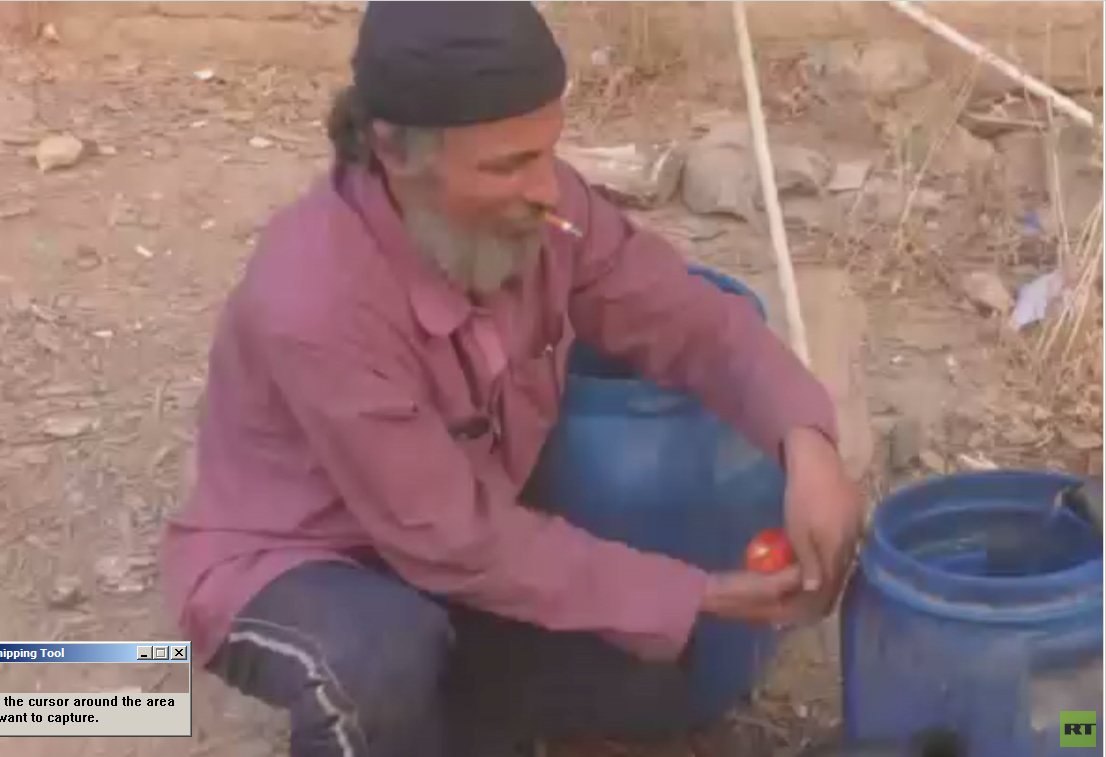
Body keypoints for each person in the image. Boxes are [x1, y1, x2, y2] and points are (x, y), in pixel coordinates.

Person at [159, 3, 864, 757]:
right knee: (380, 669)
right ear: (396, 152)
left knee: (646, 677)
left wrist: (806, 441)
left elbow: (690, 320)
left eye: (547, 152)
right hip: (302, 559)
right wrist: (700, 592)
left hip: (457, 558)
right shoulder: (315, 297)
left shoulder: (548, 215)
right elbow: (451, 537)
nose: (547, 189)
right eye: (506, 165)